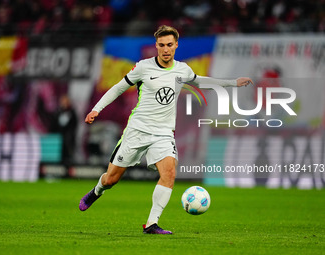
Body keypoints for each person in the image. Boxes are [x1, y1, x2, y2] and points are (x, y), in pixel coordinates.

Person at [79, 25, 253, 234]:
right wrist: (96, 109)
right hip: (137, 130)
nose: (165, 49)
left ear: (176, 45)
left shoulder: (182, 70)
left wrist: (233, 82)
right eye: (161, 45)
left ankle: (151, 224)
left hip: (163, 133)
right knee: (111, 179)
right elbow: (118, 88)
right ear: (157, 46)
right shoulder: (143, 67)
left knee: (169, 172)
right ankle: (97, 191)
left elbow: (202, 82)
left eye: (169, 44)